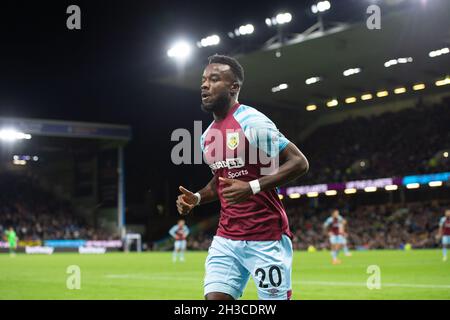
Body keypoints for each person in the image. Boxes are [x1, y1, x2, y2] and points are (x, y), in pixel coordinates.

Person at [176, 54, 309, 300]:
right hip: (227, 237)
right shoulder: (206, 137)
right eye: (203, 80)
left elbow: (299, 163)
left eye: (214, 79)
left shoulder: (252, 121)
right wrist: (196, 198)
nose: (204, 85)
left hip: (266, 237)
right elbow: (220, 182)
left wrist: (252, 187)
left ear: (234, 87)